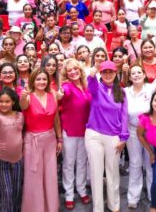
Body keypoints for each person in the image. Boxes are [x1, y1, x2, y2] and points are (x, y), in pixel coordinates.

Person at [124, 63, 156, 209]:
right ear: (130, 77)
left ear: (144, 75)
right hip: (132, 131)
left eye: (139, 72)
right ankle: (133, 197)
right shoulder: (125, 91)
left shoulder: (150, 88)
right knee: (135, 163)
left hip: (151, 132)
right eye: (133, 73)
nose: (136, 75)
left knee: (151, 163)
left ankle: (153, 195)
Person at [85, 61, 128, 212]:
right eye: (104, 72)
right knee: (96, 172)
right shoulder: (97, 87)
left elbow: (124, 116)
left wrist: (123, 137)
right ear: (101, 74)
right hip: (94, 134)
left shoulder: (121, 92)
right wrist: (91, 75)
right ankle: (98, 208)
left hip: (114, 136)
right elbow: (91, 86)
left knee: (113, 171)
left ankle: (114, 205)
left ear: (116, 73)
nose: (108, 74)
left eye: (111, 72)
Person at [18, 70, 61, 212]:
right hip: (32, 141)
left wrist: (59, 138)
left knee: (50, 176)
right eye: (38, 79)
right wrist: (23, 96)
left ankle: (51, 208)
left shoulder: (52, 95)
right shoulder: (28, 97)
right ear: (32, 81)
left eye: (44, 79)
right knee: (33, 178)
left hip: (50, 140)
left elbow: (56, 119)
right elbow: (23, 105)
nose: (41, 82)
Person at [59, 59, 92, 210]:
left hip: (85, 131)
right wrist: (59, 94)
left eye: (75, 69)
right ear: (66, 74)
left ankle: (81, 189)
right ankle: (69, 194)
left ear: (80, 70)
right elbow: (62, 94)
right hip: (70, 131)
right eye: (69, 70)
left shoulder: (85, 86)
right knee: (69, 164)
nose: (73, 72)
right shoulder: (67, 86)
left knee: (82, 162)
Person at [0, 87, 24, 212]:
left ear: (13, 102)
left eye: (7, 101)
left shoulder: (20, 115)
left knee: (17, 191)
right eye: (1, 102)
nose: (3, 104)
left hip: (18, 160)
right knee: (7, 193)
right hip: (0, 161)